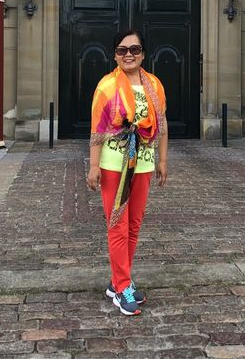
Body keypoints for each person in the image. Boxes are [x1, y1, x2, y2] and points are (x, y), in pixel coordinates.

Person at [86, 29, 168, 316]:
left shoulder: (154, 85)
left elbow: (162, 124)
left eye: (134, 49)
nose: (129, 55)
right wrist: (94, 166)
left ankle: (121, 280)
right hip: (114, 165)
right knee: (117, 226)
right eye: (122, 50)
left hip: (142, 163)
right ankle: (122, 287)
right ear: (115, 55)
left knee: (133, 225)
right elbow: (97, 129)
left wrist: (162, 160)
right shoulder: (107, 86)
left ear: (143, 54)